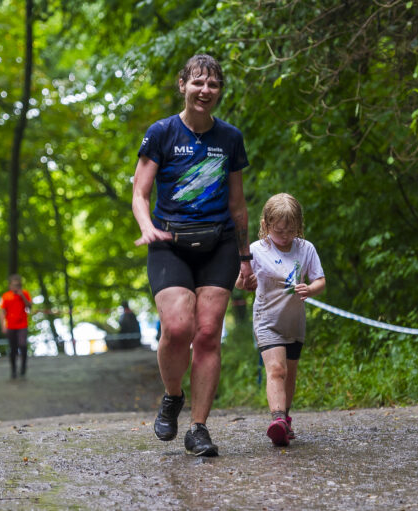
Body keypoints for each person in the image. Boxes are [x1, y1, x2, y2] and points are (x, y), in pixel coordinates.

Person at [132, 54, 255, 457]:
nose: (205, 91)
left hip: (218, 243)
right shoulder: (162, 132)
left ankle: (199, 428)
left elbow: (238, 203)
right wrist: (146, 227)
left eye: (213, 85)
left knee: (207, 333)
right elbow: (140, 192)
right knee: (179, 326)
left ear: (220, 91)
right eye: (198, 83)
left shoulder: (230, 138)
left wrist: (245, 256)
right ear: (182, 85)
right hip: (169, 242)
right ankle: (172, 396)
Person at [236, 193, 326, 447]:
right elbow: (239, 281)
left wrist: (310, 289)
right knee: (277, 370)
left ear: (299, 226)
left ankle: (285, 417)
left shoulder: (306, 249)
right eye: (279, 231)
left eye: (291, 230)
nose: (285, 236)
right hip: (267, 320)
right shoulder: (256, 250)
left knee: (291, 374)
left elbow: (320, 280)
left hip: (294, 323)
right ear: (266, 225)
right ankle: (277, 421)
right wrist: (246, 282)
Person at [0, 274, 32, 378]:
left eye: (18, 285)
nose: (16, 287)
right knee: (13, 348)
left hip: (22, 325)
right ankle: (13, 370)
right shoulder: (6, 296)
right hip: (10, 326)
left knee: (22, 345)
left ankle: (23, 366)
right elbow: (2, 312)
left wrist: (22, 296)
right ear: (10, 286)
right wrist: (3, 325)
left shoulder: (25, 293)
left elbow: (29, 307)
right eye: (14, 285)